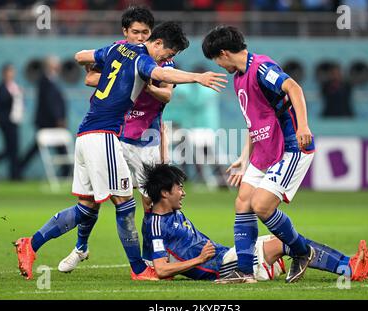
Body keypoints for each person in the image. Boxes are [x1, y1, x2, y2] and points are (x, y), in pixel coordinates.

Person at [14, 21, 227, 280]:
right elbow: (161, 76)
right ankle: (139, 269)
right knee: (125, 202)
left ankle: (32, 244)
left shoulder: (117, 49)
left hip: (86, 133)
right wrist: (197, 77)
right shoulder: (142, 59)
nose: (167, 59)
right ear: (157, 43)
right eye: (168, 54)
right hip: (106, 135)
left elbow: (83, 57)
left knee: (87, 206)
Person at [58, 6, 175, 280]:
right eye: (135, 32)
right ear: (125, 32)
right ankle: (80, 247)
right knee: (97, 200)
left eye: (146, 33)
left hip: (147, 137)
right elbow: (89, 77)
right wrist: (132, 75)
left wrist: (143, 80)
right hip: (116, 134)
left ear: (153, 36)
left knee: (151, 202)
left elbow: (166, 95)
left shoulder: (160, 59)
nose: (140, 37)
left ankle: (151, 258)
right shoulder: (117, 51)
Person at [202, 26, 316, 284]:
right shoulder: (239, 77)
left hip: (290, 146)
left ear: (223, 53)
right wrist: (244, 158)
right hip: (264, 148)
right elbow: (254, 122)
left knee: (261, 206)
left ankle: (301, 251)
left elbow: (294, 88)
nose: (219, 66)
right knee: (243, 201)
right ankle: (245, 272)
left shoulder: (261, 68)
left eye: (217, 60)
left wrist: (304, 126)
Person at [141, 164, 368, 282]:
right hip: (220, 268)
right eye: (179, 187)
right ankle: (349, 269)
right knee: (280, 243)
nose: (183, 192)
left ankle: (348, 264)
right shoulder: (156, 224)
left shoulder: (171, 213)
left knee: (286, 240)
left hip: (224, 255)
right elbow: (161, 269)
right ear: (164, 193)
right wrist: (199, 260)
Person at [20, 55, 69, 178]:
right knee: (59, 148)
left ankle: (18, 168)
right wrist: (59, 118)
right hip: (48, 122)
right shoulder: (44, 81)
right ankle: (65, 172)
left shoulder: (52, 80)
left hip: (49, 122)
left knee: (39, 148)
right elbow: (50, 103)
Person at [0, 64, 24, 180]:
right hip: (6, 121)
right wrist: (13, 95)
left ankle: (14, 174)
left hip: (14, 120)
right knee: (10, 148)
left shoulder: (14, 86)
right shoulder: (1, 87)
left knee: (13, 148)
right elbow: (2, 102)